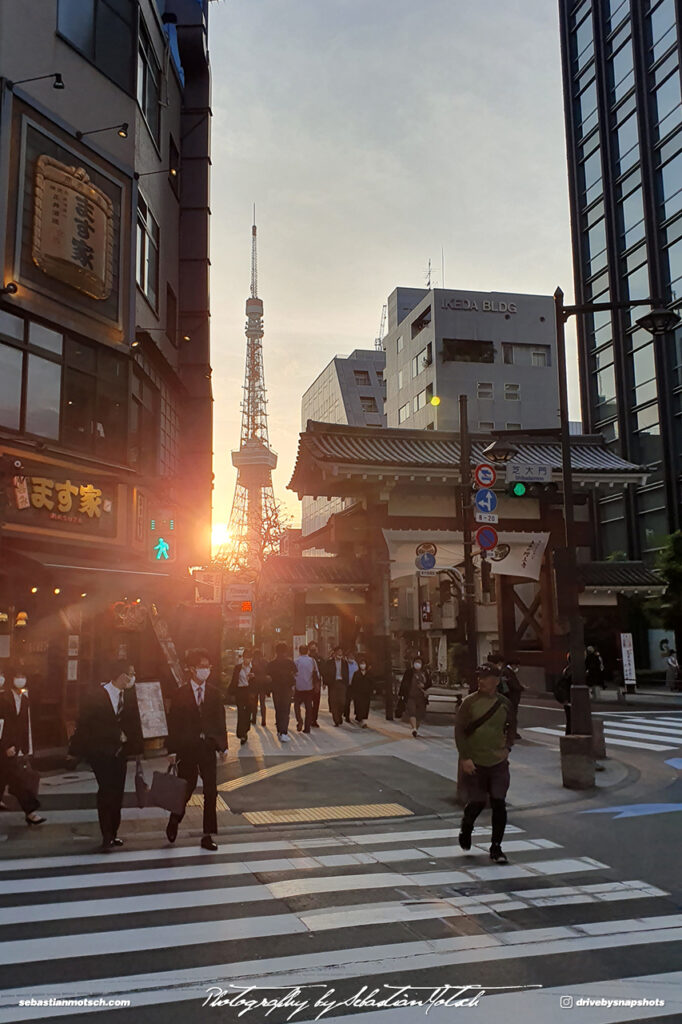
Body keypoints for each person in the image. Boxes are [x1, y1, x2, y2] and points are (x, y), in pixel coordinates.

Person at [68, 659, 143, 851]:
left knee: (117, 792)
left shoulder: (129, 696)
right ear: (121, 675)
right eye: (131, 674)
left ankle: (114, 832)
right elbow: (86, 725)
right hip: (100, 753)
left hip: (121, 753)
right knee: (106, 791)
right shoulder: (95, 696)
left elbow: (135, 723)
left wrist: (137, 748)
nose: (133, 678)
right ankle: (106, 834)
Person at [166, 648, 228, 850]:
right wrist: (172, 750)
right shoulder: (180, 694)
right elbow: (173, 723)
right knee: (187, 786)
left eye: (208, 666)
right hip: (187, 748)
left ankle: (207, 834)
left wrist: (223, 747)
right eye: (201, 666)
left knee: (211, 791)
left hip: (208, 748)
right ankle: (175, 818)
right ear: (191, 669)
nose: (206, 670)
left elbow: (220, 721)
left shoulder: (214, 694)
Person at [455, 664, 516, 864]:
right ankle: (467, 825)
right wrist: (465, 757)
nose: (481, 680)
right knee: (478, 802)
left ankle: (496, 847)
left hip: (498, 762)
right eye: (479, 677)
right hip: (475, 761)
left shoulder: (505, 703)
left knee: (499, 802)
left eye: (486, 677)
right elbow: (459, 731)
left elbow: (512, 727)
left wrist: (507, 748)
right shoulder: (469, 703)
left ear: (496, 681)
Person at [0, 665, 45, 826]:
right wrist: (5, 746)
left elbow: (24, 725)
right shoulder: (2, 698)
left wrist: (25, 748)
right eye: (17, 675)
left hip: (14, 747)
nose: (21, 679)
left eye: (23, 676)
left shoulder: (24, 699)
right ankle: (30, 811)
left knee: (4, 775)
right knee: (17, 780)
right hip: (4, 747)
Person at [267, 642, 297, 742]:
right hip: (286, 689)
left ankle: (280, 729)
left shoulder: (271, 664)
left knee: (278, 710)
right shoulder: (290, 663)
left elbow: (268, 677)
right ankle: (283, 731)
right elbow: (295, 674)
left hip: (276, 690)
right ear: (285, 651)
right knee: (285, 710)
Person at [399, 655, 431, 737]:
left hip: (421, 697)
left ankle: (416, 729)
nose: (417, 664)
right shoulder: (409, 672)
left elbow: (429, 683)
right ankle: (414, 729)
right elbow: (403, 683)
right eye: (416, 662)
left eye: (419, 662)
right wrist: (401, 695)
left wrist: (424, 686)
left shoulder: (425, 673)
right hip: (410, 696)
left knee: (420, 714)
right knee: (412, 712)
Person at [229, 650, 255, 745]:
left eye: (249, 657)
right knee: (241, 712)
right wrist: (231, 693)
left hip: (249, 691)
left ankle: (246, 730)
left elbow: (260, 678)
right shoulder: (238, 668)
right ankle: (241, 733)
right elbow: (233, 680)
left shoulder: (254, 668)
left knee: (248, 712)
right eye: (246, 657)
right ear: (243, 658)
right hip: (240, 691)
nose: (247, 659)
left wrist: (254, 677)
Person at [323, 646, 350, 726]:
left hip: (342, 683)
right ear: (334, 653)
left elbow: (347, 673)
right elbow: (325, 673)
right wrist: (325, 683)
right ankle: (336, 720)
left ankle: (339, 715)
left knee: (342, 702)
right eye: (338, 652)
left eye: (341, 652)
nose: (339, 654)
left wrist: (346, 683)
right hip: (333, 684)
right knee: (333, 702)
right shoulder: (329, 663)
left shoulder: (345, 663)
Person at [293, 644, 317, 733]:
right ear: (307, 651)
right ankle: (307, 727)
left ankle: (299, 720)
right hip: (309, 687)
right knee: (309, 708)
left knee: (296, 706)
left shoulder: (296, 661)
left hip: (298, 687)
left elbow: (293, 674)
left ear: (299, 651)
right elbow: (316, 673)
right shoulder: (312, 661)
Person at [499, 657, 524, 739]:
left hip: (509, 698)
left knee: (509, 716)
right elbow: (512, 685)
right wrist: (521, 688)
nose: (517, 668)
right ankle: (512, 733)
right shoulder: (507, 672)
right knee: (511, 716)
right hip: (511, 698)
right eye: (516, 666)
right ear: (513, 665)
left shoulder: (506, 671)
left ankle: (508, 732)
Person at [350, 655, 374, 727]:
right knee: (359, 706)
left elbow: (372, 683)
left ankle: (362, 718)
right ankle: (360, 719)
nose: (362, 665)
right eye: (361, 663)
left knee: (365, 706)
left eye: (363, 663)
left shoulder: (369, 674)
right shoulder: (356, 673)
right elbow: (353, 683)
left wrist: (372, 691)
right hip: (358, 693)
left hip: (366, 693)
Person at [552, 654, 573, 735]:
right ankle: (570, 735)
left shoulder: (566, 669)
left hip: (567, 699)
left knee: (570, 719)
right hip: (571, 698)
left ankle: (569, 734)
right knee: (573, 719)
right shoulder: (572, 670)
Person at [250, 650, 270, 726]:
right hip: (263, 685)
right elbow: (268, 673)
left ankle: (254, 719)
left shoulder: (252, 663)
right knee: (262, 703)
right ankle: (263, 720)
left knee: (254, 703)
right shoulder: (265, 662)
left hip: (254, 685)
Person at [307, 641, 323, 728]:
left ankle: (314, 719)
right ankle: (309, 718)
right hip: (308, 683)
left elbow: (323, 670)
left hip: (316, 683)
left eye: (314, 648)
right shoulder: (307, 659)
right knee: (309, 702)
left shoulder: (319, 659)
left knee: (316, 702)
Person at [343, 650, 359, 723]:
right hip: (347, 684)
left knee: (356, 701)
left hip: (354, 685)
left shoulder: (355, 664)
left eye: (352, 656)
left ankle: (357, 715)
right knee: (347, 701)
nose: (351, 657)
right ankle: (347, 716)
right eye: (350, 656)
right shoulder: (344, 664)